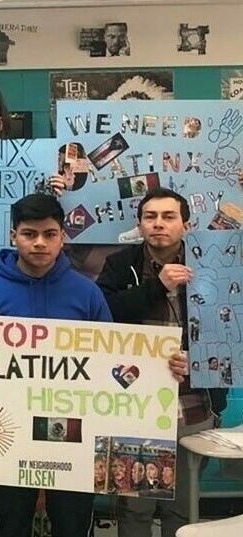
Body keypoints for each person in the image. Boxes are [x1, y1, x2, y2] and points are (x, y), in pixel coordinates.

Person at [0, 193, 112, 537]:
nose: (39, 243)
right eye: (29, 234)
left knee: (73, 525)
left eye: (49, 234)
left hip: (73, 432)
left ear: (63, 236)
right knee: (11, 525)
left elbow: (111, 363)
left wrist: (158, 369)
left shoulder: (87, 294)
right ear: (13, 235)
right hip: (9, 432)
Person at [95, 188, 226, 537]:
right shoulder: (120, 264)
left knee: (183, 507)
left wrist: (200, 364)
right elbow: (102, 318)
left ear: (186, 223)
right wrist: (157, 286)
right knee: (134, 505)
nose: (158, 224)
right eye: (150, 217)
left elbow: (229, 331)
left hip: (193, 402)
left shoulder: (212, 264)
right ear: (139, 224)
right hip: (132, 401)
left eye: (169, 217)